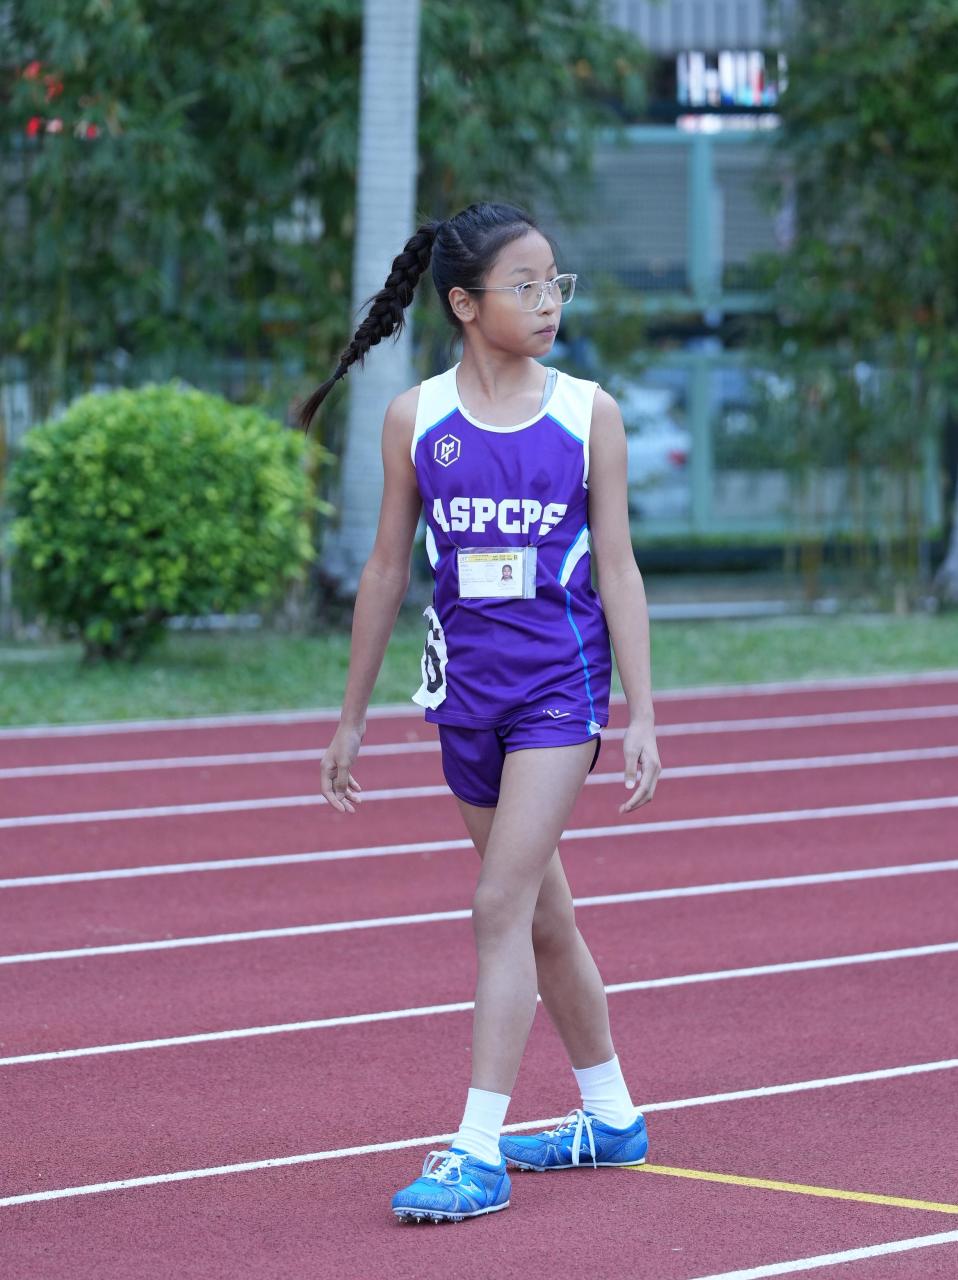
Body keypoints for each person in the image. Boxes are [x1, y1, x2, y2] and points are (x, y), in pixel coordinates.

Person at [304, 201, 661, 1225]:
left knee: (496, 905)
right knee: (542, 914)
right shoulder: (415, 418)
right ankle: (611, 1114)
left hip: (560, 691)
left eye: (557, 283)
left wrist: (641, 711)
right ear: (464, 304)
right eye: (526, 286)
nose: (550, 303)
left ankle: (474, 1150)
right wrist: (350, 717)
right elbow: (385, 570)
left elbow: (619, 567)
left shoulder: (586, 413)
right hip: (465, 698)